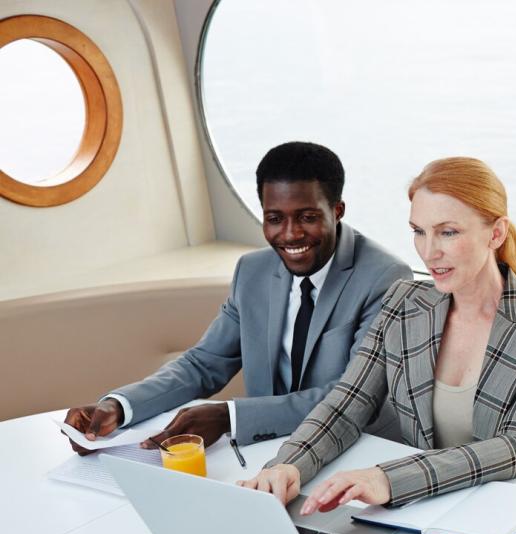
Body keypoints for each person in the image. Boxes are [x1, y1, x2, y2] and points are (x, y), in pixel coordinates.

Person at [242, 157, 516, 511]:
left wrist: (387, 479)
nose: (429, 252)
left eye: (448, 232)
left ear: (496, 233)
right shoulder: (403, 302)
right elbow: (346, 405)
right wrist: (288, 465)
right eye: (419, 232)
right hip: (441, 502)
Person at [64, 142, 412, 452]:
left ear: (337, 211)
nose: (290, 234)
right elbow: (204, 364)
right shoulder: (252, 271)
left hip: (358, 446)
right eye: (274, 218)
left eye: (307, 217)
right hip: (266, 447)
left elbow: (354, 396)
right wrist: (120, 406)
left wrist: (230, 417)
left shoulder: (385, 277)